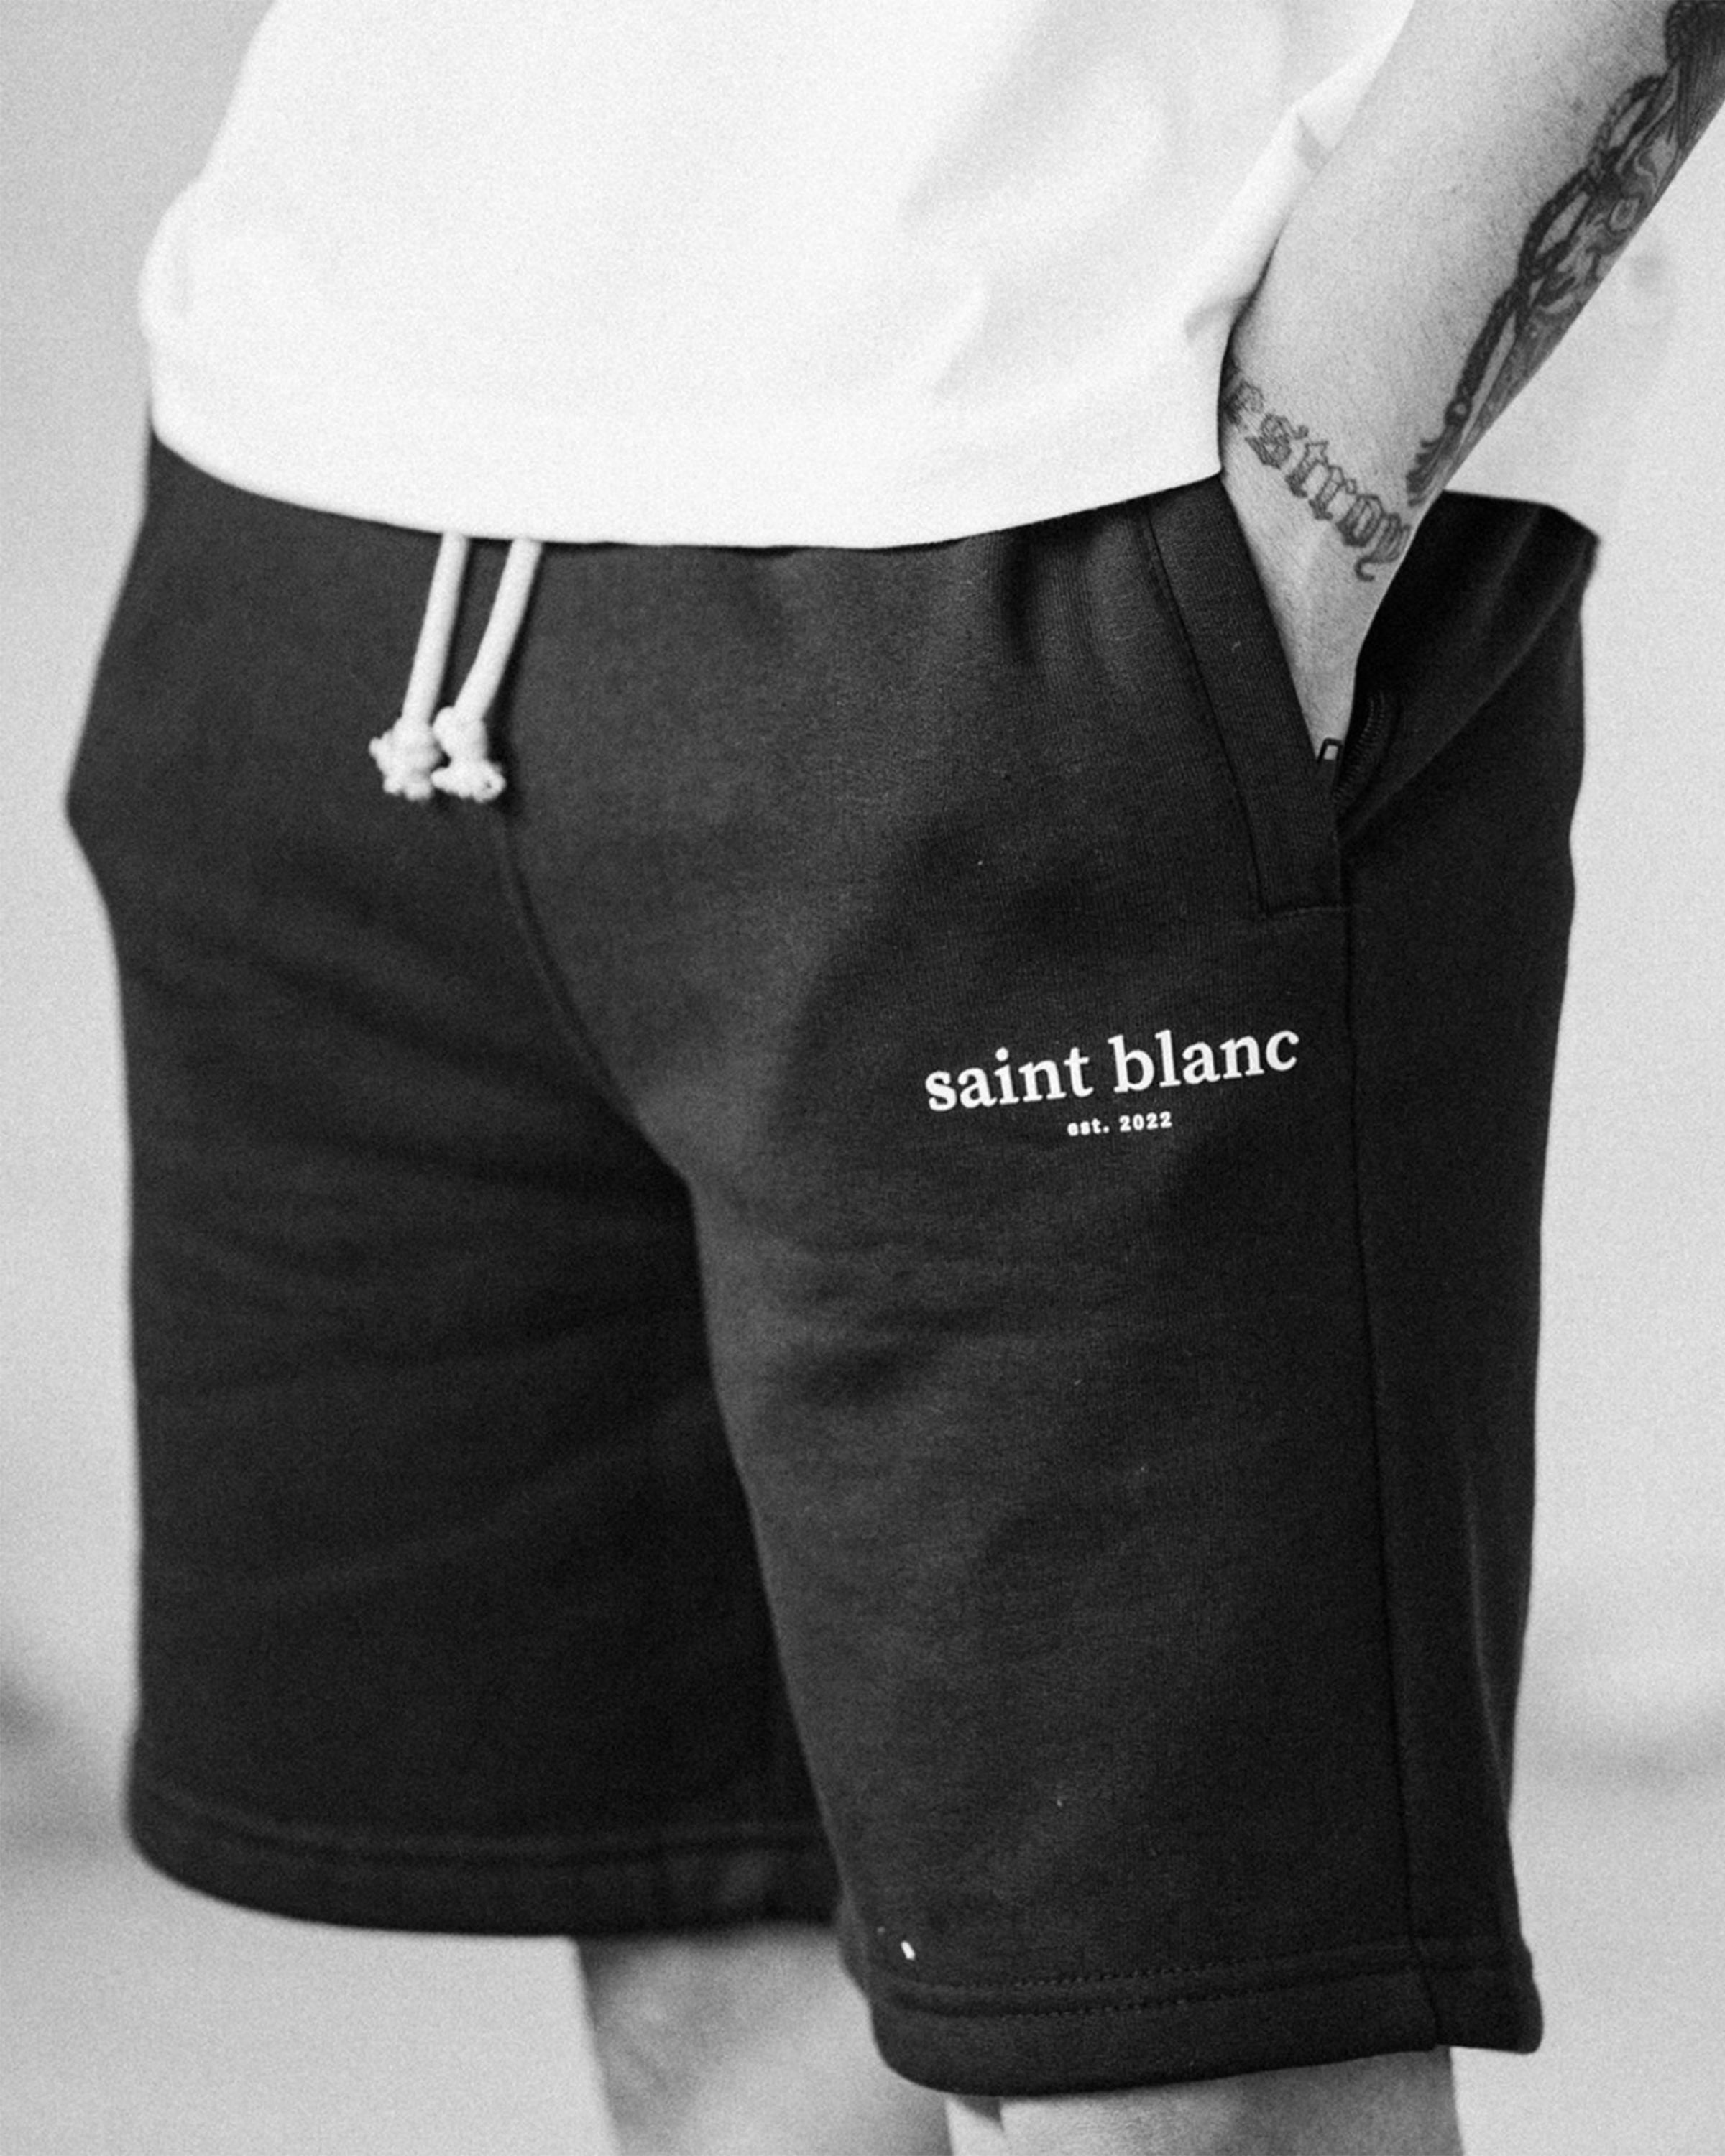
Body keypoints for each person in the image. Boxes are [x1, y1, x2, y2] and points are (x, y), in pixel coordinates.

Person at [65, 1, 1724, 2150]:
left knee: (1191, 2056)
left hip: (1055, 490)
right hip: (346, 484)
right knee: (721, 1967)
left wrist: (1304, 509)